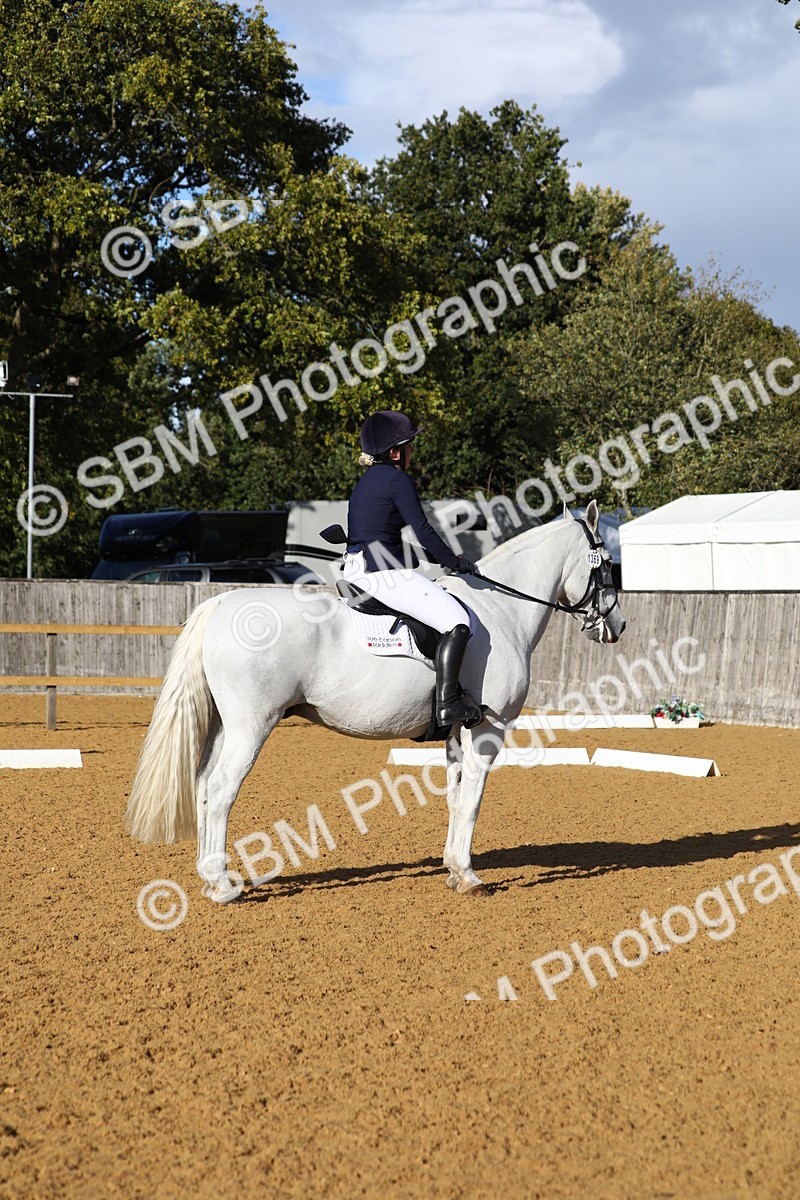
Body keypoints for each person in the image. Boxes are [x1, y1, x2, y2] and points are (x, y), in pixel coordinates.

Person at [343, 410, 482, 728]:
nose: (412, 452)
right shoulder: (397, 479)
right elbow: (423, 529)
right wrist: (454, 562)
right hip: (380, 576)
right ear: (394, 452)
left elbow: (381, 538)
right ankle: (447, 702)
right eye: (409, 445)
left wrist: (428, 557)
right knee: (458, 621)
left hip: (356, 568)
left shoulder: (365, 482)